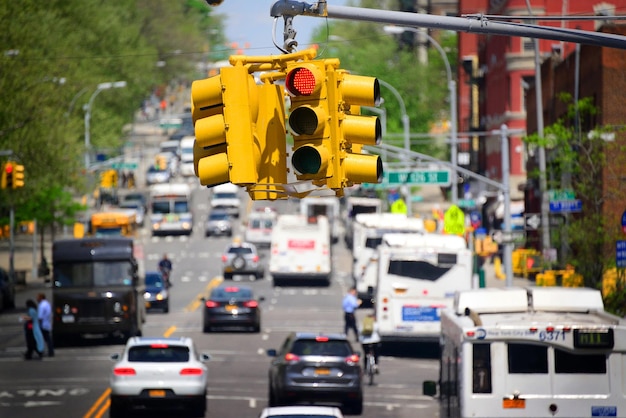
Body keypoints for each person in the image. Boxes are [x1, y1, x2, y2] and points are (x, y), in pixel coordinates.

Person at [37, 293, 54, 357]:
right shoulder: (47, 304)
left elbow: (40, 317)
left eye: (38, 297)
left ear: (41, 298)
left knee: (39, 339)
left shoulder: (41, 305)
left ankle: (40, 352)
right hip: (47, 324)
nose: (37, 299)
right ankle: (51, 351)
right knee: (48, 339)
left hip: (42, 325)